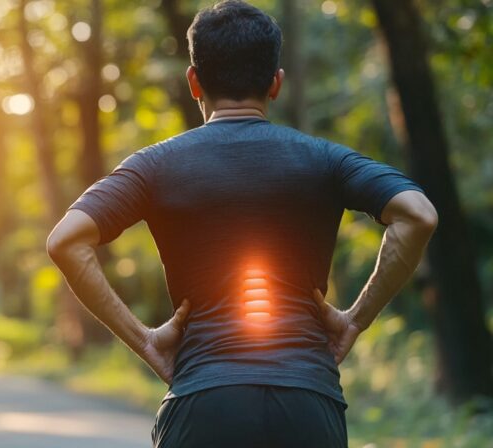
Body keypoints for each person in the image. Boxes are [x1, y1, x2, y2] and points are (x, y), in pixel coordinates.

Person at [46, 1, 438, 446]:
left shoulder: (155, 165)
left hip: (203, 401)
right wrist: (354, 321)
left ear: (194, 81)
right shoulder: (326, 159)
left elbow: (66, 240)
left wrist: (146, 341)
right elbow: (418, 214)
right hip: (308, 403)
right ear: (276, 83)